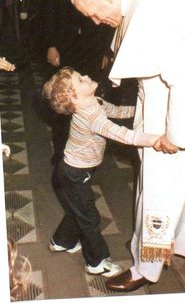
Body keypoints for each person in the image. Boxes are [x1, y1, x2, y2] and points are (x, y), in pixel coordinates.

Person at [71, 0, 185, 292]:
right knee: (164, 195)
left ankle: (146, 267)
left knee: (158, 199)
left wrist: (176, 136)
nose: (96, 22)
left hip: (174, 117)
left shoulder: (151, 5)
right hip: (170, 108)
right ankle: (160, 248)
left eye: (94, 14)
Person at [43, 66, 160, 277]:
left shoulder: (96, 102)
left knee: (76, 209)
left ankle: (61, 241)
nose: (87, 75)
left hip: (75, 172)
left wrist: (142, 111)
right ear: (74, 97)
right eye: (81, 79)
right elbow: (123, 135)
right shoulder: (90, 118)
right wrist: (155, 140)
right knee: (89, 218)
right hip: (73, 175)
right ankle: (96, 262)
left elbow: (116, 111)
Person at [42, 0, 115, 166]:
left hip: (93, 50)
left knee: (91, 103)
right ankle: (62, 153)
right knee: (63, 103)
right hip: (65, 48)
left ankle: (88, 155)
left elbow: (110, 17)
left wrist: (107, 50)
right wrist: (52, 45)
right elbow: (50, 13)